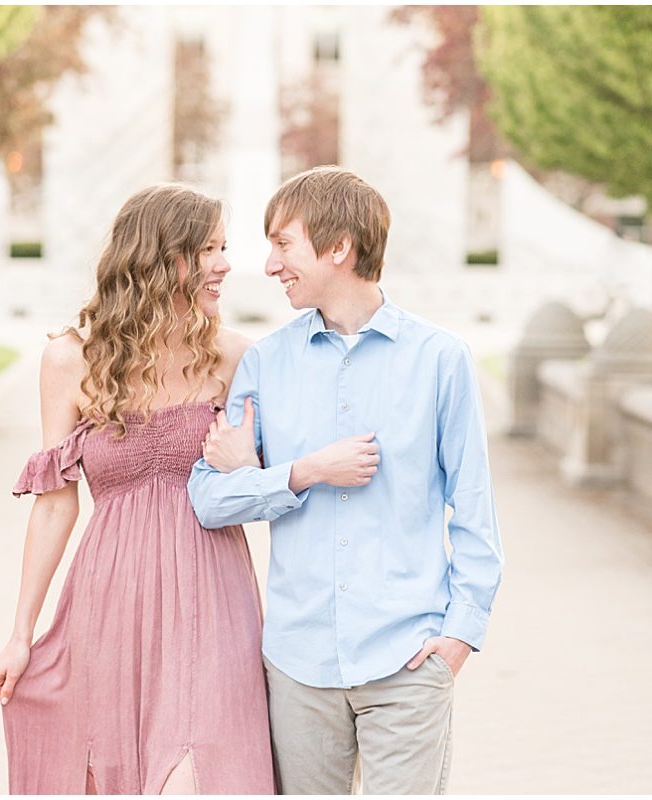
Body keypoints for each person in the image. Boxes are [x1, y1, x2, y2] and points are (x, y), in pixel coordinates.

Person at [187, 166, 504, 795]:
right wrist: (301, 473)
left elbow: (474, 509)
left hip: (409, 657)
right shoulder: (265, 363)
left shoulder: (440, 360)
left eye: (284, 244)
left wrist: (458, 636)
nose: (270, 265)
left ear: (338, 247)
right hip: (298, 664)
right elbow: (208, 497)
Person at [0, 184, 274, 795]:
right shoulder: (71, 361)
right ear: (160, 257)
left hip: (213, 598)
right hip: (110, 600)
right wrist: (20, 634)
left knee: (200, 776)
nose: (225, 264)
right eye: (209, 249)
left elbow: (269, 482)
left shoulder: (236, 358)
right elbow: (55, 505)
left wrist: (250, 464)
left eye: (224, 248)